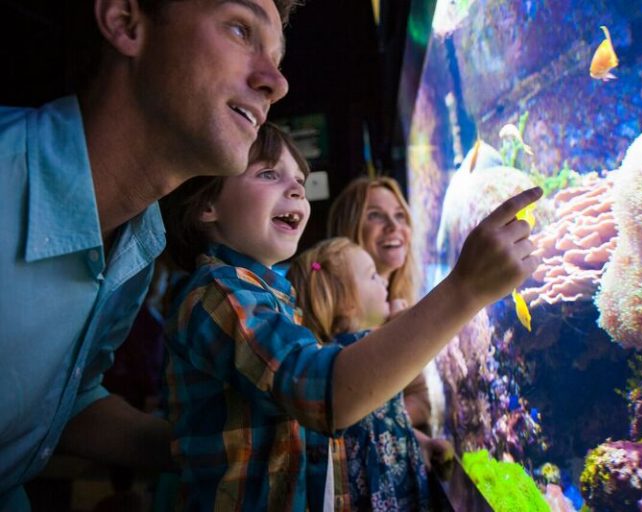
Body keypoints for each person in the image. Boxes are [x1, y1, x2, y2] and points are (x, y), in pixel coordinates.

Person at [0, 0, 295, 509]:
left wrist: (223, 449)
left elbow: (65, 402)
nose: (277, 82)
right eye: (241, 29)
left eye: (277, 57)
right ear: (125, 22)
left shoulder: (140, 241)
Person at [161, 119, 543, 510]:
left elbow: (301, 431)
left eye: (299, 179)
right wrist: (466, 289)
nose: (296, 189)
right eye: (269, 174)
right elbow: (325, 395)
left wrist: (410, 443)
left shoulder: (268, 294)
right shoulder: (220, 294)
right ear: (207, 204)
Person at [289, 237, 452, 511]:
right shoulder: (362, 351)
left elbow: (378, 425)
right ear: (347, 304)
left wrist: (420, 443)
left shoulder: (335, 357)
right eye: (373, 275)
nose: (384, 281)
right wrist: (403, 326)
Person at [327, 177, 431, 431]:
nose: (394, 226)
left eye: (400, 215)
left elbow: (422, 402)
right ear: (349, 227)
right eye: (375, 215)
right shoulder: (329, 313)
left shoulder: (401, 303)